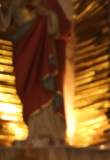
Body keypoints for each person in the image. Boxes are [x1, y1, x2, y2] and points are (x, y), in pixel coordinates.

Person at [0, 0, 70, 142]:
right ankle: (34, 129)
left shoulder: (48, 1)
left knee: (44, 87)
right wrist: (5, 9)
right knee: (27, 89)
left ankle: (50, 131)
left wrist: (49, 15)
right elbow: (4, 25)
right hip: (23, 52)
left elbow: (66, 28)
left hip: (44, 54)